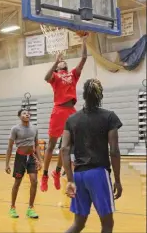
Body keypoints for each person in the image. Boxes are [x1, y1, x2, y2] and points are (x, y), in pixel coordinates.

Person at [61, 79, 123, 233]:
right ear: (100, 95)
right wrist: (118, 180)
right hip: (98, 174)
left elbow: (64, 149)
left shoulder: (72, 119)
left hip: (78, 175)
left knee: (78, 224)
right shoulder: (109, 117)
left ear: (83, 95)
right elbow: (114, 151)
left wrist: (69, 180)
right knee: (107, 225)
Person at [40, 38, 88, 192]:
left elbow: (84, 58)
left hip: (71, 111)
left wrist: (84, 40)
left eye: (63, 61)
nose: (63, 62)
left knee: (66, 145)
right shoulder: (55, 77)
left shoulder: (73, 74)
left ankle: (57, 171)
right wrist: (55, 62)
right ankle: (45, 175)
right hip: (58, 110)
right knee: (51, 145)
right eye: (60, 62)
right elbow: (46, 77)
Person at [5, 109, 42, 218]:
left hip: (31, 157)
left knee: (34, 181)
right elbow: (10, 147)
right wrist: (7, 164)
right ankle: (12, 207)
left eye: (28, 113)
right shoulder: (15, 129)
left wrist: (40, 160)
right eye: (24, 113)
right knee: (17, 183)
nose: (27, 115)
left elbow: (37, 145)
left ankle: (30, 208)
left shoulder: (34, 128)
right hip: (20, 157)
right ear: (19, 116)